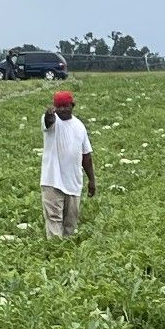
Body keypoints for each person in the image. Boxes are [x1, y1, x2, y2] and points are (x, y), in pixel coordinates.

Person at [39, 89, 96, 239]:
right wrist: (49, 115)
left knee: (70, 224)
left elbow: (86, 156)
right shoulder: (52, 121)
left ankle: (66, 254)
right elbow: (48, 122)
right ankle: (55, 253)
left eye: (66, 105)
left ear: (72, 105)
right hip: (52, 180)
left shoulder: (79, 126)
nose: (62, 109)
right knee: (54, 219)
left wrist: (92, 180)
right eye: (59, 106)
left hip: (73, 182)